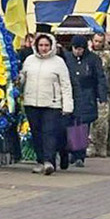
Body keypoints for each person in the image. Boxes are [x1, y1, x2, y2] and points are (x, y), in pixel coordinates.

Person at [21, 33, 74, 175]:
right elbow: (23, 78)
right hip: (31, 102)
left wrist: (68, 105)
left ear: (51, 46)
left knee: (49, 133)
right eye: (41, 45)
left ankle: (48, 161)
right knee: (36, 133)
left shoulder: (58, 62)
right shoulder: (29, 60)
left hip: (52, 104)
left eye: (46, 45)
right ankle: (39, 160)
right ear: (36, 46)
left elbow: (66, 85)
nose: (43, 48)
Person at [62, 35, 106, 168]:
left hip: (87, 96)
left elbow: (100, 78)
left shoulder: (93, 59)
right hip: (70, 95)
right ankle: (70, 150)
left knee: (82, 126)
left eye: (80, 49)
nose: (77, 52)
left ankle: (79, 155)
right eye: (75, 49)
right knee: (69, 125)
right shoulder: (67, 58)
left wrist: (102, 96)